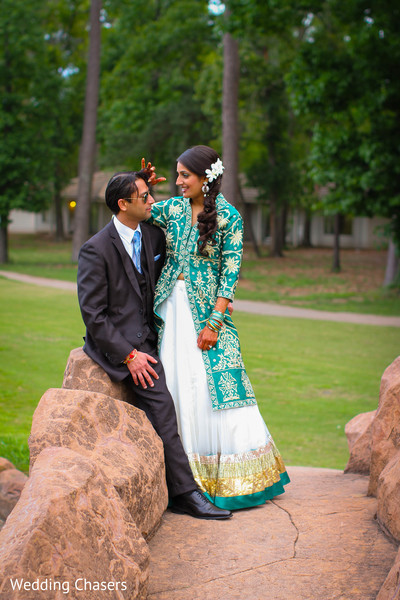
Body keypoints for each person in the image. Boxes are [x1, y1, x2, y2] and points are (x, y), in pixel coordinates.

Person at [77, 169, 232, 520]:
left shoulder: (151, 236)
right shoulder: (95, 250)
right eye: (144, 196)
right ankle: (186, 494)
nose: (152, 201)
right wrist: (130, 357)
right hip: (128, 347)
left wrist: (220, 301)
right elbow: (94, 315)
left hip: (160, 334)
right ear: (122, 204)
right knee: (163, 407)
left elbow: (190, 261)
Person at [148, 145, 290, 510]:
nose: (178, 181)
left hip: (207, 315)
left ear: (206, 177)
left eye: (184, 175)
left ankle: (231, 479)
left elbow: (231, 273)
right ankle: (181, 481)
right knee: (178, 384)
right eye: (176, 174)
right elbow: (136, 210)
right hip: (170, 311)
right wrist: (143, 187)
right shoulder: (172, 208)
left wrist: (214, 322)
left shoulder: (229, 216)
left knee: (216, 387)